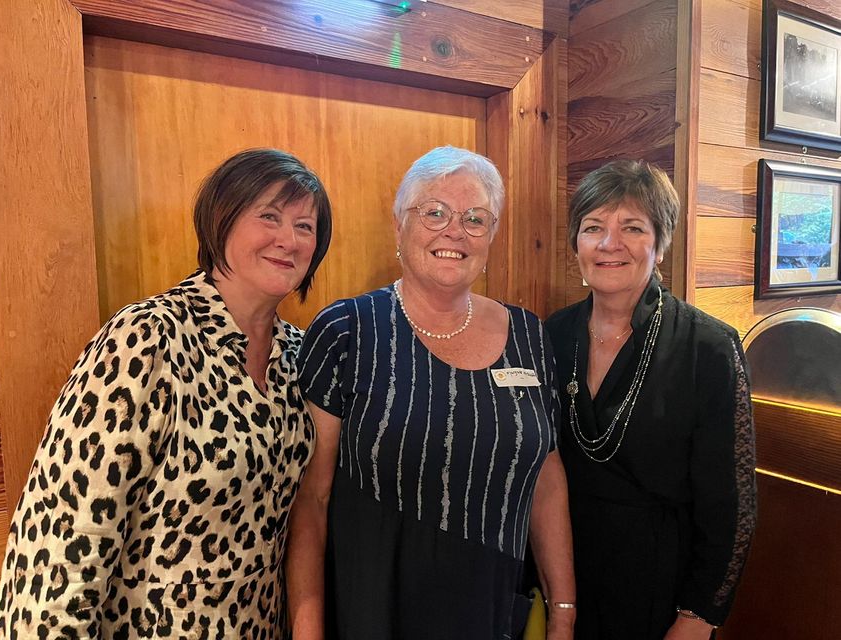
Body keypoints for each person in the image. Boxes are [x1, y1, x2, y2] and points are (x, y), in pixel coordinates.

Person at [0, 148, 332, 639]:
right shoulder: (147, 337)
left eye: (305, 226)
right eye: (270, 217)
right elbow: (66, 532)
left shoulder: (301, 356)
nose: (288, 239)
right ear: (221, 218)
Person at [287, 146, 575, 640]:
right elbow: (311, 500)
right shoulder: (347, 331)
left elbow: (545, 476)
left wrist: (564, 609)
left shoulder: (529, 335)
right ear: (400, 226)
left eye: (475, 218)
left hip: (491, 610)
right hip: (373, 612)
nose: (454, 231)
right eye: (434, 212)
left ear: (492, 236)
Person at [544, 160, 757, 640]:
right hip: (564, 575)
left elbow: (733, 506)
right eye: (592, 227)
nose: (608, 243)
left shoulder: (709, 347)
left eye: (632, 228)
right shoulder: (552, 335)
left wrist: (698, 617)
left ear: (660, 245)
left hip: (662, 589)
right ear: (576, 243)